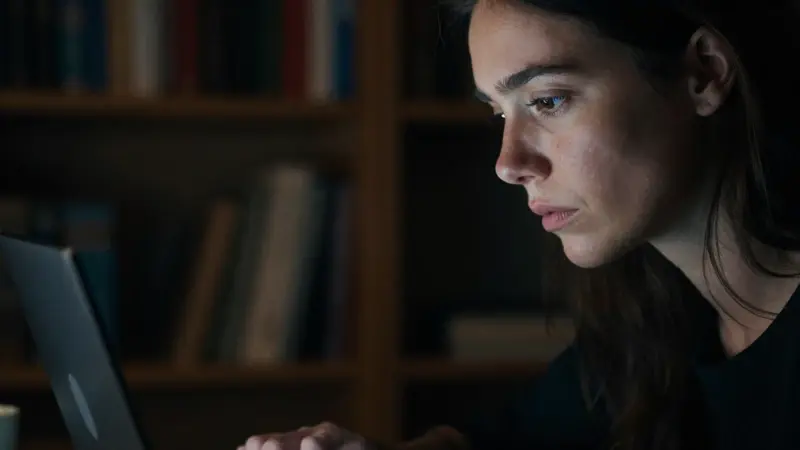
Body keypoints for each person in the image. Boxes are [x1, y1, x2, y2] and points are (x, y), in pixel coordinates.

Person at [236, 0, 800, 449]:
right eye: (500, 113)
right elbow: (504, 439)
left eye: (549, 100)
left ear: (703, 74)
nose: (508, 164)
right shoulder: (650, 320)